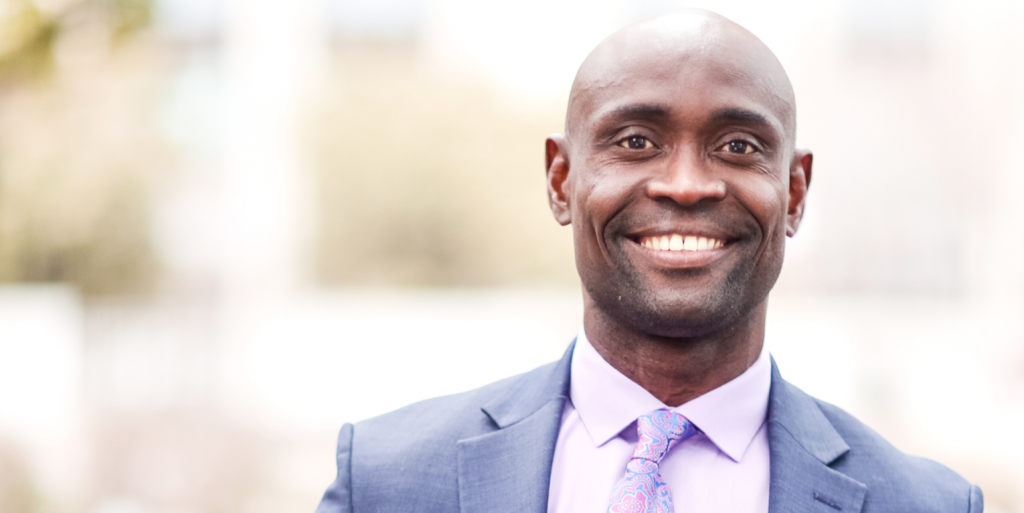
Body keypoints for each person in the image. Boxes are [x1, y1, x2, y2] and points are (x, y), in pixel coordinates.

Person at [315, 10, 983, 513]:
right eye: (636, 141)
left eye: (739, 145)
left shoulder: (927, 505)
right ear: (561, 181)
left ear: (795, 192)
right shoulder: (385, 480)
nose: (686, 185)